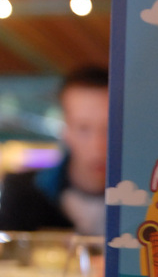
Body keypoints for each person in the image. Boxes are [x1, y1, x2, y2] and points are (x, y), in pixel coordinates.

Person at [0, 65, 108, 235]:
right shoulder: (22, 191)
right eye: (83, 128)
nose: (98, 145)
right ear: (65, 129)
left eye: (110, 129)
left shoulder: (146, 199)